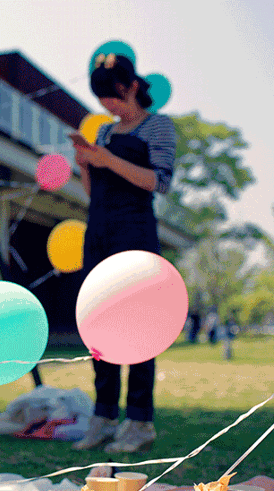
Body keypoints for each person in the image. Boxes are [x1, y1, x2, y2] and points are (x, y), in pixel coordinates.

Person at [71, 53, 176, 453]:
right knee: (99, 325)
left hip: (135, 232)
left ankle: (139, 421)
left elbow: (158, 182)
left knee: (138, 325)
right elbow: (95, 192)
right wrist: (85, 163)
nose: (107, 105)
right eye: (100, 99)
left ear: (131, 86)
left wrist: (106, 159)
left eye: (111, 95)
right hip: (98, 231)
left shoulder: (159, 126)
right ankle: (103, 415)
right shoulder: (104, 133)